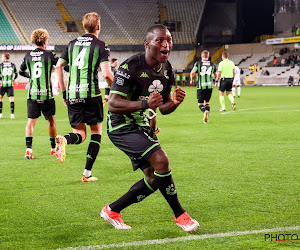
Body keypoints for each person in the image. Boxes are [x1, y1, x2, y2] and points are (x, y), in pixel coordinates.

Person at [100, 24, 199, 232]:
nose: (166, 44)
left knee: (154, 180)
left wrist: (175, 102)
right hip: (120, 126)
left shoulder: (167, 69)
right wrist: (145, 105)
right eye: (160, 40)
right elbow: (113, 104)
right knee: (161, 160)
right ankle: (180, 215)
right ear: (147, 44)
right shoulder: (130, 67)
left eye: (169, 40)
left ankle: (112, 210)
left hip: (140, 124)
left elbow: (163, 108)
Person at [55, 12, 114, 182]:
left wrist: (64, 92)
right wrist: (118, 89)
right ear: (98, 27)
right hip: (92, 94)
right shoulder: (101, 45)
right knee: (96, 132)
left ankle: (65, 139)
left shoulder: (71, 44)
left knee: (80, 134)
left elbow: (58, 67)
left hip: (73, 94)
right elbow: (107, 75)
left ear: (84, 26)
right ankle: (86, 174)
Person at [19, 29, 58, 159]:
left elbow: (20, 71)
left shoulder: (28, 55)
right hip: (47, 95)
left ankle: (29, 150)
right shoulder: (49, 55)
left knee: (31, 122)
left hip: (32, 95)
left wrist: (30, 77)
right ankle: (53, 149)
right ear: (45, 41)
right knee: (51, 121)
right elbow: (61, 66)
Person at [190, 50, 216, 123]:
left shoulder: (198, 63)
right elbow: (215, 75)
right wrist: (215, 80)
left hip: (201, 85)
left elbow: (192, 72)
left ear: (201, 56)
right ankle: (207, 112)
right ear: (208, 56)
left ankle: (204, 111)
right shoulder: (212, 64)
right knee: (207, 102)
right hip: (209, 86)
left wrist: (192, 79)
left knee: (200, 103)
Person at [0, 53, 18, 119]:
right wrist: (13, 79)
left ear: (5, 58)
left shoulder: (1, 65)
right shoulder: (12, 65)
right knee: (11, 99)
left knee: (0, 98)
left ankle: (0, 113)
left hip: (3, 84)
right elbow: (16, 74)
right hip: (10, 84)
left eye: (2, 57)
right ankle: (12, 114)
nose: (1, 58)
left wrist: (2, 79)